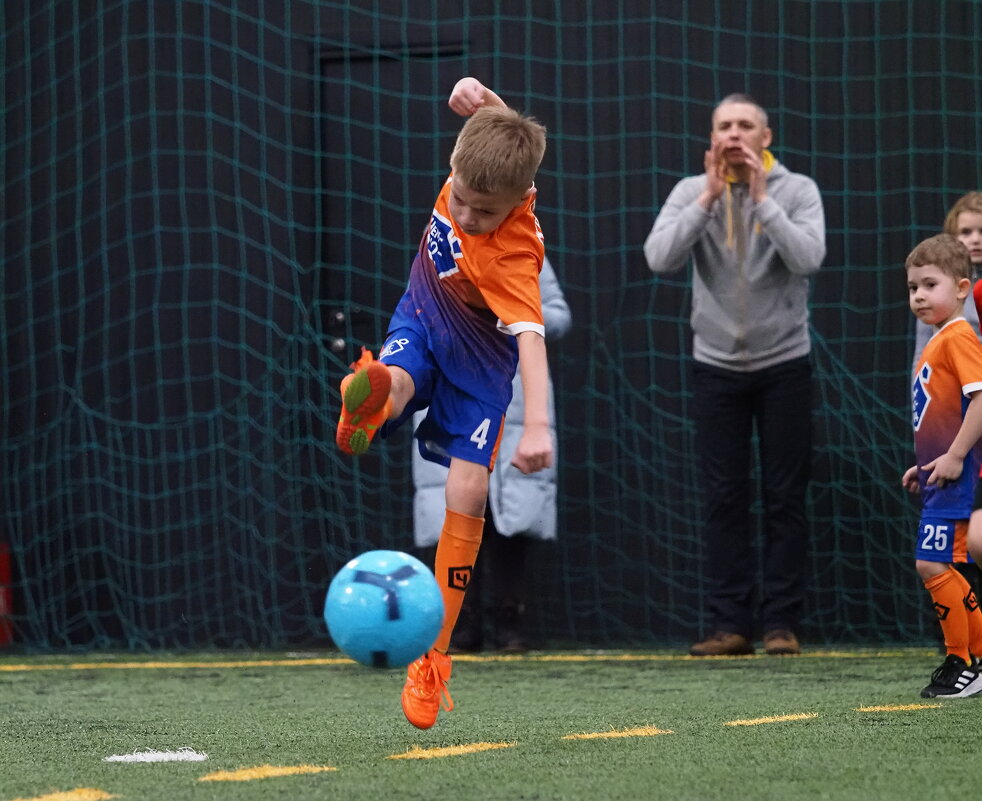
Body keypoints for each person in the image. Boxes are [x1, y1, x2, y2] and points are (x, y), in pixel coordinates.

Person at [335, 76, 550, 729]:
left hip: (481, 368)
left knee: (468, 492)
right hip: (423, 314)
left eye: (484, 211)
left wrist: (536, 424)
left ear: (519, 202)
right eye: (459, 198)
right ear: (454, 167)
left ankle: (432, 657)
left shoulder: (513, 252)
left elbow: (533, 345)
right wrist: (485, 97)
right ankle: (373, 399)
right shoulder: (478, 165)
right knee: (399, 372)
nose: (466, 216)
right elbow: (501, 132)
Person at [643, 93, 826, 656]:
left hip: (785, 364)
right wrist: (708, 198)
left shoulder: (798, 191)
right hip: (716, 367)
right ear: (712, 137)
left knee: (784, 497)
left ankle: (780, 625)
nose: (735, 135)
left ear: (765, 138)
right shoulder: (689, 193)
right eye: (725, 125)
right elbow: (659, 257)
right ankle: (730, 624)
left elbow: (809, 258)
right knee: (724, 497)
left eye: (746, 125)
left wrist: (765, 202)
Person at [411, 256, 571, 653]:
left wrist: (513, 320)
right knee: (456, 511)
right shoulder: (440, 251)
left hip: (513, 403)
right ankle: (457, 628)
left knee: (511, 523)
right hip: (456, 395)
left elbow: (557, 314)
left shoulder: (524, 251)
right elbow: (418, 318)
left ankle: (510, 627)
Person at [902, 233, 982, 698]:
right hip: (941, 475)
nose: (918, 296)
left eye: (929, 285)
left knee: (932, 564)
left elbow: (979, 402)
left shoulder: (959, 337)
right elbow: (941, 414)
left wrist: (953, 457)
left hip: (958, 476)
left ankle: (961, 662)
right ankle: (973, 658)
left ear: (962, 288)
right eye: (913, 287)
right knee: (942, 564)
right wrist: (930, 463)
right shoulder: (937, 340)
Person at [914, 192, 982, 599]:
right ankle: (967, 652)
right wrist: (937, 451)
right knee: (951, 549)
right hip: (964, 443)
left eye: (981, 230)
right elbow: (928, 386)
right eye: (965, 232)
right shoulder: (939, 312)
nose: (974, 239)